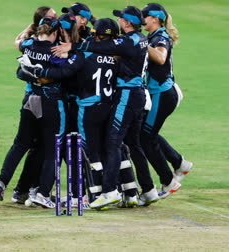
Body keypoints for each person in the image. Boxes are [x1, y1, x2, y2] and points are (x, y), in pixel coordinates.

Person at [21, 18, 120, 208]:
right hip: (108, 106)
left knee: (87, 152)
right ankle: (117, 192)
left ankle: (92, 195)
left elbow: (65, 72)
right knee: (107, 148)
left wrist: (39, 74)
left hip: (87, 108)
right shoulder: (117, 56)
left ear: (96, 36)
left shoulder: (85, 53)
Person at [77, 6, 157, 209]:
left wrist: (75, 46)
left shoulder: (128, 41)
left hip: (127, 96)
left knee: (112, 142)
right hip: (139, 95)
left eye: (121, 18)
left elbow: (100, 47)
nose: (119, 21)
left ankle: (110, 191)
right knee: (134, 143)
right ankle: (148, 190)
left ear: (127, 23)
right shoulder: (141, 39)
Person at [0, 17, 65, 208]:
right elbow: (67, 67)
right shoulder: (56, 51)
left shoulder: (29, 45)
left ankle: (1, 182)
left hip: (29, 100)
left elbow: (20, 40)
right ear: (55, 32)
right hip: (49, 102)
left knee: (20, 144)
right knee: (52, 150)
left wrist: (29, 28)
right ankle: (42, 193)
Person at [139, 3, 192, 202]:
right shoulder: (153, 36)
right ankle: (179, 164)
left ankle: (168, 181)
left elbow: (160, 58)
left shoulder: (160, 37)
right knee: (146, 132)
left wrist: (142, 43)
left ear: (155, 18)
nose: (141, 18)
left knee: (146, 138)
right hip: (157, 94)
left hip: (161, 94)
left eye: (144, 16)